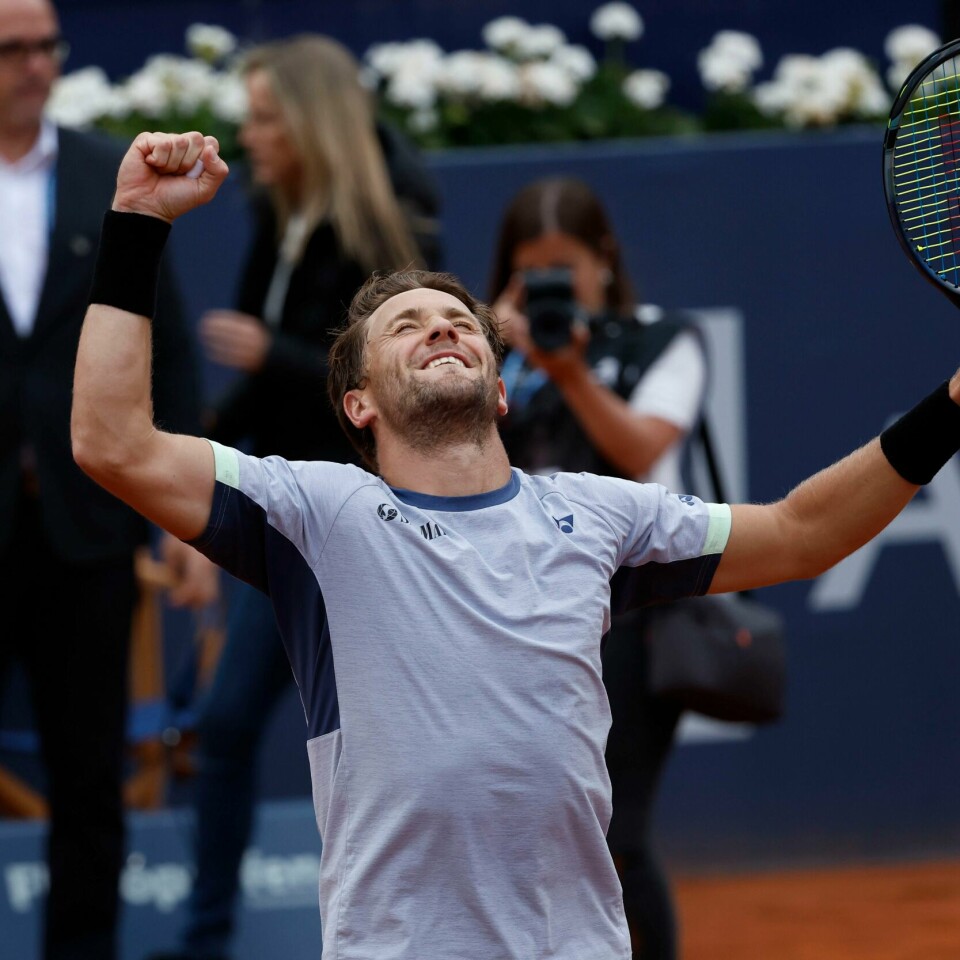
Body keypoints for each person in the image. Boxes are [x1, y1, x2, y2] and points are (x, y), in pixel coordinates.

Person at [71, 130, 960, 960]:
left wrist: (950, 407)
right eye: (406, 326)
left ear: (500, 393)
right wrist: (138, 223)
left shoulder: (604, 517)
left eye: (459, 323)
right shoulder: (315, 513)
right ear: (358, 404)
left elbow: (804, 532)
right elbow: (112, 442)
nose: (442, 329)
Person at [149, 35, 441, 960]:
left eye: (267, 116)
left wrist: (267, 355)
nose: (250, 132)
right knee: (232, 728)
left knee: (352, 745)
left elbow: (388, 380)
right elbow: (262, 387)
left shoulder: (380, 232)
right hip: (291, 518)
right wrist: (187, 458)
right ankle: (206, 939)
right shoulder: (280, 217)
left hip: (361, 527)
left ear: (312, 123)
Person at [0, 2, 216, 957]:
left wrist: (182, 519)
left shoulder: (105, 173)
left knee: (90, 776)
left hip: (86, 528)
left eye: (47, 46)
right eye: (12, 49)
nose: (34, 66)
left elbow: (161, 344)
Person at [488, 176, 708, 959]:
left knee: (617, 828)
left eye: (566, 266)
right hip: (509, 616)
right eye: (533, 269)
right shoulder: (485, 353)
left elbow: (640, 450)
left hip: (633, 620)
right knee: (527, 833)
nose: (555, 284)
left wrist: (569, 370)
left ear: (604, 259)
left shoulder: (663, 339)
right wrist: (497, 351)